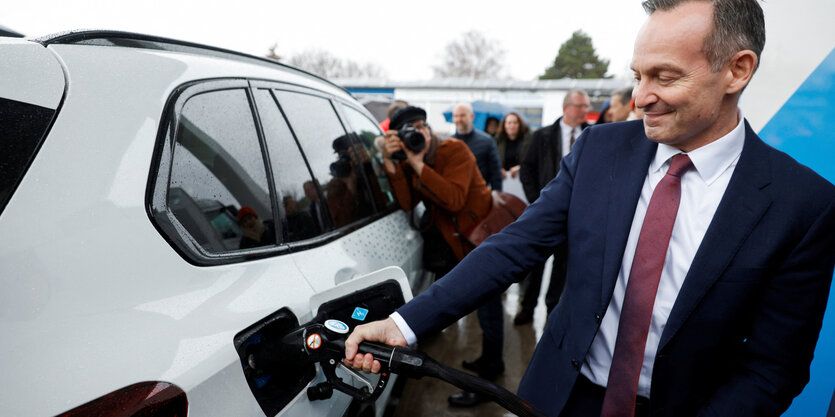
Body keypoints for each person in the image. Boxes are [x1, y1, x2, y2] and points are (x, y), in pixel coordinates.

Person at [345, 1, 835, 416]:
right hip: (556, 397)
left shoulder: (802, 205)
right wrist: (404, 324)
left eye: (665, 77)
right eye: (637, 76)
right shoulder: (599, 149)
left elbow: (774, 367)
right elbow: (514, 247)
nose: (641, 98)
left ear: (738, 70)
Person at [380, 105, 503, 407]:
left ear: (429, 128)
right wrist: (391, 161)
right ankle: (490, 361)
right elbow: (407, 202)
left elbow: (454, 199)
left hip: (480, 240)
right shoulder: (410, 157)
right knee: (472, 305)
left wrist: (420, 165)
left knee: (488, 310)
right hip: (457, 244)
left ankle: (488, 381)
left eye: (420, 126)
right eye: (409, 130)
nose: (417, 133)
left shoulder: (455, 150)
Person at [514, 89, 590, 325]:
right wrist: (537, 201)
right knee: (535, 263)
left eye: (587, 106)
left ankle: (552, 312)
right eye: (581, 106)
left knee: (562, 266)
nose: (586, 111)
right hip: (546, 212)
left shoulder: (592, 134)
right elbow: (526, 169)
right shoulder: (543, 135)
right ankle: (527, 308)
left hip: (577, 214)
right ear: (566, 108)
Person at [452, 102, 503, 191]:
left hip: (479, 195)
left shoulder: (487, 141)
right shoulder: (449, 143)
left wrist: (497, 194)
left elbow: (496, 172)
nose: (459, 119)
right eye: (456, 116)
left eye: (462, 115)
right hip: (454, 196)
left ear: (472, 117)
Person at [494, 112, 532, 180]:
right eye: (509, 123)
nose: (512, 126)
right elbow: (492, 160)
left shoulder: (528, 140)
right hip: (503, 179)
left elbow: (533, 160)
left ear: (520, 125)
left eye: (515, 123)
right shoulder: (498, 140)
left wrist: (521, 167)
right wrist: (498, 168)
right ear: (504, 125)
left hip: (523, 178)